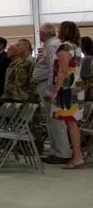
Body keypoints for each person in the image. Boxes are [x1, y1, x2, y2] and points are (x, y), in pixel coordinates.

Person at [2, 38, 45, 154]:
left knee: (34, 124)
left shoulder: (31, 61)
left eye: (18, 46)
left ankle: (36, 147)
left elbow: (33, 80)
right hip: (19, 97)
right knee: (22, 123)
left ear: (26, 47)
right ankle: (25, 146)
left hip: (28, 98)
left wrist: (31, 97)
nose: (16, 48)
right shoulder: (20, 62)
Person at [51, 21, 85, 169]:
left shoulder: (65, 47)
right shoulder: (76, 47)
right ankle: (77, 156)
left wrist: (56, 90)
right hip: (76, 87)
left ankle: (77, 157)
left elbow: (63, 71)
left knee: (71, 123)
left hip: (67, 89)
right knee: (72, 123)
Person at [34, 22, 69, 164]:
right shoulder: (50, 45)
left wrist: (50, 89)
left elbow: (53, 70)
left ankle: (62, 153)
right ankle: (55, 152)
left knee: (56, 121)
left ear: (42, 33)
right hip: (44, 85)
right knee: (51, 121)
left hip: (48, 87)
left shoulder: (52, 45)